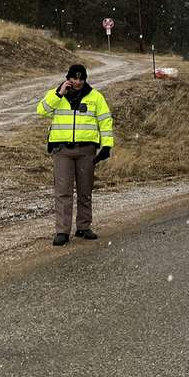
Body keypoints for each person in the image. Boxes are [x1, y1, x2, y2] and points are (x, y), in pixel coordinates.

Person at [35, 63, 114, 246]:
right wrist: (58, 94)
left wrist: (107, 146)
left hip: (87, 150)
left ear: (85, 79)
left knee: (85, 190)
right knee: (63, 192)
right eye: (74, 78)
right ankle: (62, 231)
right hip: (62, 150)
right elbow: (41, 110)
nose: (77, 82)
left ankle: (83, 227)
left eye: (81, 78)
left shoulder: (96, 97)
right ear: (68, 78)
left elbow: (105, 121)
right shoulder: (56, 94)